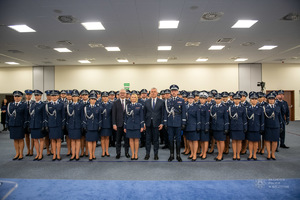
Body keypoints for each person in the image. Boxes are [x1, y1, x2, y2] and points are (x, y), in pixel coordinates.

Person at [164, 84, 186, 162]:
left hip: (178, 122)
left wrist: (183, 122)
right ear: (171, 92)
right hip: (170, 123)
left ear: (177, 92)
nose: (174, 92)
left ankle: (178, 155)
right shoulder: (167, 101)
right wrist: (165, 122)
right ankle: (171, 155)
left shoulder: (181, 100)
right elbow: (165, 113)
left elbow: (183, 112)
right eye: (172, 91)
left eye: (175, 91)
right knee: (170, 139)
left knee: (178, 139)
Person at [6, 91, 28, 160]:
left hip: (20, 124)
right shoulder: (10, 105)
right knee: (15, 139)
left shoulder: (24, 105)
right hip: (12, 124)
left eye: (18, 96)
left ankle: (21, 153)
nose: (17, 98)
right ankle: (17, 153)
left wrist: (25, 124)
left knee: (21, 139)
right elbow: (8, 115)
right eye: (15, 96)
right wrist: (7, 123)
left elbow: (26, 116)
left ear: (21, 97)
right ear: (14, 97)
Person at [144, 87, 164, 160]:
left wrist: (162, 123)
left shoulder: (161, 102)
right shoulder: (146, 102)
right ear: (150, 93)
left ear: (157, 93)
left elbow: (162, 114)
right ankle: (147, 154)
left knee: (156, 140)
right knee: (148, 140)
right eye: (151, 91)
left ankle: (156, 154)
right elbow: (144, 113)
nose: (153, 93)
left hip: (157, 124)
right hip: (148, 124)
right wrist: (143, 124)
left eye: (154, 91)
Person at [45, 90, 65, 161]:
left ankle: (58, 154)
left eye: (55, 95)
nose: (54, 97)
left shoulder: (61, 104)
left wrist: (63, 124)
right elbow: (46, 116)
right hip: (51, 125)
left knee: (58, 140)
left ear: (58, 96)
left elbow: (63, 115)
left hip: (59, 124)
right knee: (52, 140)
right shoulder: (48, 105)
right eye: (52, 96)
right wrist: (46, 125)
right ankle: (54, 154)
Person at [124, 93, 144, 160]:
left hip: (137, 125)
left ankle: (136, 154)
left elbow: (141, 116)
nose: (133, 98)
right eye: (132, 97)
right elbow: (126, 117)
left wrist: (142, 126)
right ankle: (132, 154)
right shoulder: (127, 106)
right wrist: (125, 126)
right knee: (131, 140)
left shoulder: (139, 105)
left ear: (136, 98)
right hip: (129, 125)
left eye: (134, 97)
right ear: (130, 98)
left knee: (136, 140)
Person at [263, 92, 283, 160]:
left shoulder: (277, 107)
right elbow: (263, 118)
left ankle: (273, 153)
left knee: (275, 140)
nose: (271, 100)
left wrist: (281, 126)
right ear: (267, 100)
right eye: (270, 99)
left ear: (274, 99)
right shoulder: (265, 107)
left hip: (276, 126)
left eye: (272, 99)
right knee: (267, 140)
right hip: (268, 126)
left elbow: (280, 117)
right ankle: (268, 153)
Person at [210, 93, 229, 161]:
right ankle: (219, 153)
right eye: (216, 99)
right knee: (217, 141)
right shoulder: (213, 107)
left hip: (222, 127)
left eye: (219, 99)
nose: (217, 100)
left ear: (221, 99)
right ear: (214, 99)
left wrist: (226, 127)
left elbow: (226, 118)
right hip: (215, 127)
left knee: (221, 141)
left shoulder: (224, 107)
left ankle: (221, 154)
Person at [82, 93, 101, 161]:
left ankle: (93, 154)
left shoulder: (98, 108)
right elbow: (84, 118)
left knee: (94, 141)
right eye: (91, 99)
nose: (93, 100)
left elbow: (99, 118)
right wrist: (84, 125)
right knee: (89, 141)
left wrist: (99, 125)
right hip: (88, 126)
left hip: (95, 126)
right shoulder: (86, 108)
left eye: (94, 99)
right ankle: (90, 154)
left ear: (96, 100)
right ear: (89, 100)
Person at [112, 89, 130, 159]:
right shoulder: (115, 102)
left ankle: (127, 152)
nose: (122, 94)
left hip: (126, 125)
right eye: (121, 93)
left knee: (126, 140)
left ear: (126, 94)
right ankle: (118, 153)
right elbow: (113, 114)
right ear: (119, 94)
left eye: (124, 93)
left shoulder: (129, 102)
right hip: (118, 125)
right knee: (118, 140)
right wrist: (114, 124)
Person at [228, 93, 247, 161]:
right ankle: (234, 154)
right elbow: (229, 118)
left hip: (240, 126)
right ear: (233, 100)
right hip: (233, 126)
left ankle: (238, 154)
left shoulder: (243, 108)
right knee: (233, 141)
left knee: (239, 141)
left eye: (238, 99)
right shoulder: (230, 107)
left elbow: (244, 118)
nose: (236, 100)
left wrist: (245, 126)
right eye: (235, 99)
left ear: (240, 100)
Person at [246, 92, 264, 160]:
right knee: (250, 142)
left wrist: (262, 127)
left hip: (257, 127)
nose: (254, 100)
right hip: (250, 127)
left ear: (257, 100)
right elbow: (246, 119)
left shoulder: (260, 108)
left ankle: (254, 154)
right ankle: (250, 154)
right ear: (250, 100)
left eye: (255, 99)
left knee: (256, 142)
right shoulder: (247, 108)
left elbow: (262, 119)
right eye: (252, 99)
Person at [66, 90, 83, 161]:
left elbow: (82, 116)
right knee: (72, 140)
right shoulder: (69, 105)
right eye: (73, 96)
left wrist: (82, 125)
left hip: (78, 125)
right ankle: (73, 154)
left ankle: (77, 154)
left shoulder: (81, 105)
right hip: (71, 125)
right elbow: (67, 117)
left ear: (78, 97)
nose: (74, 98)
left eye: (76, 96)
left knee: (78, 140)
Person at [29, 90, 46, 161]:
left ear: (41, 96)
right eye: (35, 95)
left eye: (38, 95)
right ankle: (37, 153)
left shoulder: (43, 104)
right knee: (35, 140)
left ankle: (41, 153)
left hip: (39, 124)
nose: (36, 97)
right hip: (33, 124)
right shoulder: (32, 104)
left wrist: (43, 125)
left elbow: (44, 116)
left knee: (41, 139)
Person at [185, 93, 200, 161]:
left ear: (193, 99)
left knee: (195, 140)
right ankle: (191, 153)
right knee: (189, 140)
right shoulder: (185, 106)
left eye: (191, 98)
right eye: (189, 98)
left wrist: (198, 126)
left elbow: (198, 117)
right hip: (187, 126)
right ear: (187, 99)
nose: (190, 99)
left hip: (194, 126)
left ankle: (194, 154)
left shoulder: (196, 106)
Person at [99, 91, 113, 157]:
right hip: (101, 123)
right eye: (103, 97)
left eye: (106, 97)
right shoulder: (99, 104)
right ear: (102, 97)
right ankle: (102, 151)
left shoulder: (111, 104)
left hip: (108, 123)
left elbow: (112, 115)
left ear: (108, 97)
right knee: (102, 138)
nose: (105, 98)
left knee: (107, 138)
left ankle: (107, 151)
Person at [198, 92, 210, 160]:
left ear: (206, 99)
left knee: (205, 140)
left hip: (205, 125)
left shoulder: (207, 106)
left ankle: (205, 153)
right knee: (202, 140)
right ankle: (202, 152)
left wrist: (207, 126)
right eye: (201, 98)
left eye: (203, 98)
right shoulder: (198, 106)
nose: (202, 100)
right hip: (200, 125)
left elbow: (207, 117)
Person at [239, 91, 251, 155]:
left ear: (245, 97)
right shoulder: (238, 103)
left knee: (246, 137)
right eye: (241, 96)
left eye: (243, 96)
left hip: (247, 122)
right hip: (240, 123)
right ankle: (240, 148)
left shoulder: (248, 105)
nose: (242, 97)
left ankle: (244, 149)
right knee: (240, 137)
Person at [24, 89, 35, 156]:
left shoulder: (34, 103)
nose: (28, 96)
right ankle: (28, 149)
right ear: (25, 95)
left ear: (31, 95)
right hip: (25, 122)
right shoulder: (23, 103)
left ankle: (31, 149)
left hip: (32, 121)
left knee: (33, 136)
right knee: (26, 136)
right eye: (27, 94)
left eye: (30, 94)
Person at [79, 89, 89, 157]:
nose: (84, 96)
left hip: (89, 123)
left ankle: (87, 151)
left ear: (88, 96)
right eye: (83, 95)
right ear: (81, 96)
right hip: (81, 123)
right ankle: (82, 150)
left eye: (86, 95)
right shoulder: (79, 103)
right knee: (82, 138)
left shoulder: (91, 102)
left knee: (88, 138)